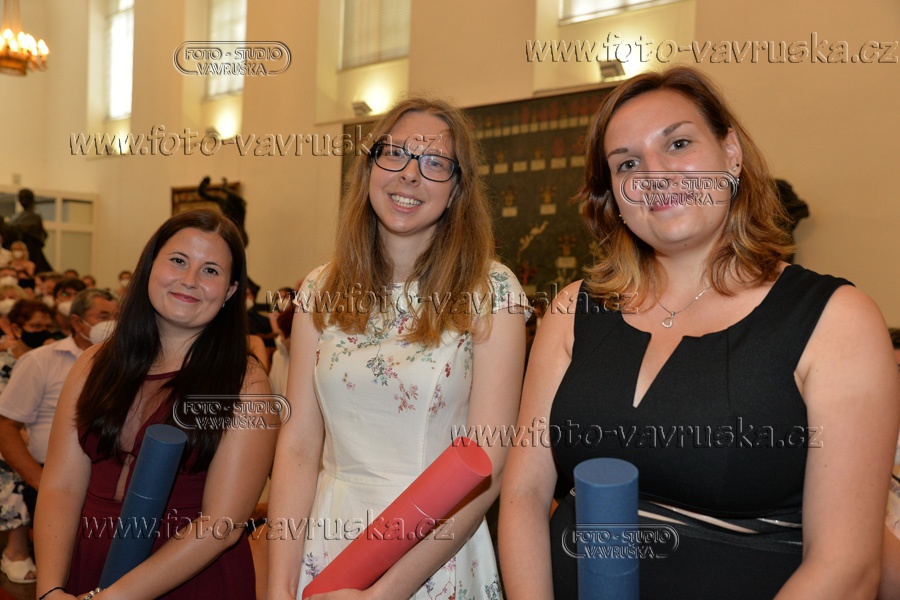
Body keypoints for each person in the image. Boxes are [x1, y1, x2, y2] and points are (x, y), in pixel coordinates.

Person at [498, 66, 900, 599]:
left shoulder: (837, 319)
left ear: (731, 152)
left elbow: (847, 568)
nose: (655, 175)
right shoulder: (573, 310)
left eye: (678, 143)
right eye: (627, 163)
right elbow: (524, 494)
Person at [268, 97, 528, 599]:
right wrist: (278, 588)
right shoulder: (321, 288)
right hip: (330, 538)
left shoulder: (492, 290)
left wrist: (383, 594)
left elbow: (489, 467)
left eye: (435, 163)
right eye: (395, 154)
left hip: (438, 548)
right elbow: (298, 446)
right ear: (369, 168)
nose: (410, 174)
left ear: (456, 190)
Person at [34, 210, 277, 599]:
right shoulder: (94, 364)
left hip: (188, 576)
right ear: (149, 266)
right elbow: (61, 487)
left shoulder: (245, 385)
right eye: (178, 261)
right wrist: (49, 589)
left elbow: (222, 523)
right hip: (85, 562)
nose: (190, 279)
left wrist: (112, 597)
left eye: (210, 270)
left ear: (231, 291)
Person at [0, 299, 54, 584]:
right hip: (8, 436)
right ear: (17, 328)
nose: (42, 331)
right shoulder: (3, 363)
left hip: (39, 436)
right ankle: (15, 550)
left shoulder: (52, 359)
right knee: (13, 465)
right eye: (35, 326)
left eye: (47, 325)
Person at [5, 189, 52, 273]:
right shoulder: (17, 216)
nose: (20, 200)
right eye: (19, 198)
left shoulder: (35, 216)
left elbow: (28, 230)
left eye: (22, 197)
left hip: (32, 252)